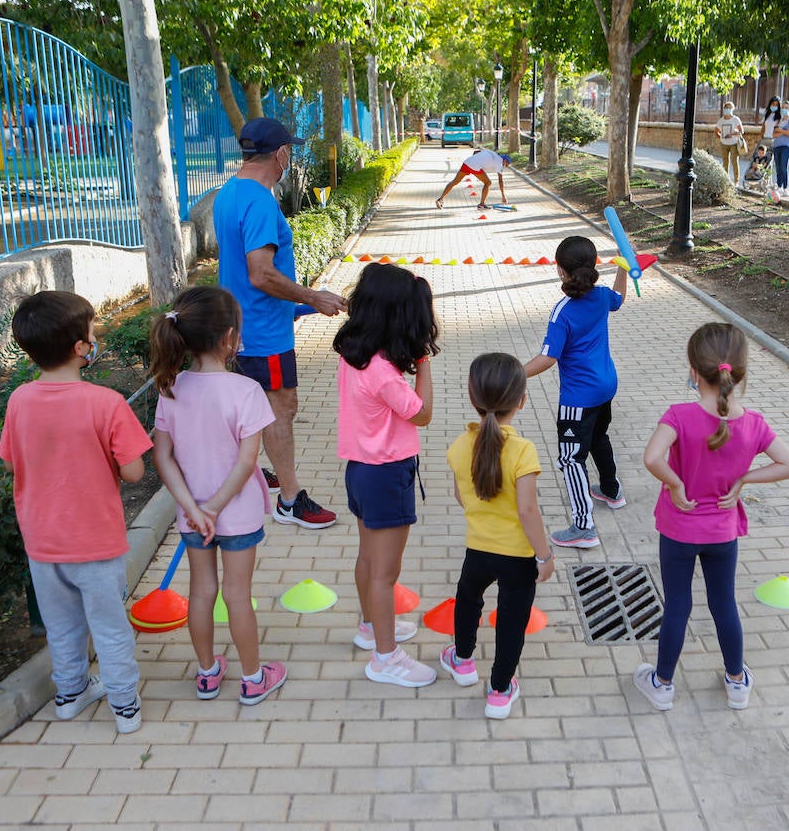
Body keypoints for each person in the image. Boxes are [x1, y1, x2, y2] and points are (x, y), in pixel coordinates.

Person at [0, 291, 152, 734]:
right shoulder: (105, 403)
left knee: (61, 626)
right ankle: (124, 706)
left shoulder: (19, 400)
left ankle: (69, 694)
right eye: (91, 330)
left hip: (43, 543)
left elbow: (9, 461)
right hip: (95, 542)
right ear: (81, 348)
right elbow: (134, 472)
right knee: (109, 626)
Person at [634, 322, 789, 713]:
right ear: (738, 372)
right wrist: (745, 478)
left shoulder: (678, 415)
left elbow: (651, 458)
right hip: (722, 533)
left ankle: (661, 684)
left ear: (694, 372)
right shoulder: (754, 424)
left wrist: (675, 485)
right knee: (723, 603)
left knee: (677, 605)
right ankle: (737, 681)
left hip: (678, 529)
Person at [149, 286, 287, 706]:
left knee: (203, 591)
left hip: (194, 519)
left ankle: (207, 674)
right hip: (237, 515)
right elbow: (247, 464)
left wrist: (194, 508)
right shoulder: (246, 391)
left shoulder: (171, 388)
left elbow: (162, 457)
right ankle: (252, 678)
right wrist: (214, 508)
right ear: (230, 338)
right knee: (237, 595)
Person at [214, 117, 346, 529]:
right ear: (281, 154)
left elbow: (241, 274)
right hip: (263, 334)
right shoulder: (260, 201)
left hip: (241, 326)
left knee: (257, 408)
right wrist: (313, 296)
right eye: (290, 151)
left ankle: (258, 472)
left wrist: (306, 307)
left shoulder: (228, 193)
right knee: (280, 409)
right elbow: (260, 273)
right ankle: (290, 499)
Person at [333, 262, 439, 687]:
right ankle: (386, 657)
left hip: (360, 471)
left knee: (367, 559)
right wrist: (423, 360)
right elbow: (424, 414)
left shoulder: (354, 354)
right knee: (385, 573)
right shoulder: (383, 373)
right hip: (386, 474)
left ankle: (370, 627)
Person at [442, 353, 555, 720]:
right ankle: (499, 691)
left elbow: (461, 496)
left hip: (477, 549)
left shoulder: (460, 446)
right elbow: (527, 511)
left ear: (473, 397)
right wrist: (544, 555)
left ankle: (461, 662)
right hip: (518, 558)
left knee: (467, 599)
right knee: (510, 621)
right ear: (521, 401)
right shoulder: (523, 450)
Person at [523, 235, 628, 549]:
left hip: (578, 399)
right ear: (594, 266)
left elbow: (548, 357)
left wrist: (516, 372)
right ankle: (611, 490)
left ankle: (584, 526)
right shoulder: (599, 297)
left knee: (571, 460)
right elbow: (619, 299)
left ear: (560, 270)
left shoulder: (563, 311)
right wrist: (622, 266)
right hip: (606, 386)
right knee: (598, 437)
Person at [436, 148, 511, 209]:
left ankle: (440, 199)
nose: (505, 166)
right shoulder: (500, 163)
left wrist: (475, 161)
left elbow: (476, 152)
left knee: (455, 181)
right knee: (488, 183)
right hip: (475, 166)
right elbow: (500, 181)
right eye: (506, 165)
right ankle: (482, 204)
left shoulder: (491, 152)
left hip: (467, 162)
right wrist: (503, 196)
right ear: (504, 160)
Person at [715, 103, 745, 185]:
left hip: (734, 143)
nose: (727, 109)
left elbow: (741, 131)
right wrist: (721, 138)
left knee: (734, 161)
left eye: (729, 107)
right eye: (726, 107)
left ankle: (736, 180)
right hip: (724, 144)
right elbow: (716, 131)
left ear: (732, 109)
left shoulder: (735, 119)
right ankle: (726, 179)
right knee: (725, 161)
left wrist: (733, 134)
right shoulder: (721, 120)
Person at [772, 101, 789, 192]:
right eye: (783, 107)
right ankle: (779, 185)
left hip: (786, 146)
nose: (784, 109)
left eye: (786, 107)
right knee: (778, 167)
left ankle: (785, 188)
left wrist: (781, 131)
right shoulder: (778, 120)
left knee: (784, 167)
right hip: (776, 146)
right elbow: (774, 134)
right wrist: (784, 131)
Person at [757, 97, 780, 164]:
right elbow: (763, 127)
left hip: (773, 140)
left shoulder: (779, 117)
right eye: (773, 104)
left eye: (776, 105)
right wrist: (761, 137)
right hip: (764, 139)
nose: (774, 106)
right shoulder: (767, 115)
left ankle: (768, 174)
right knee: (760, 160)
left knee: (768, 161)